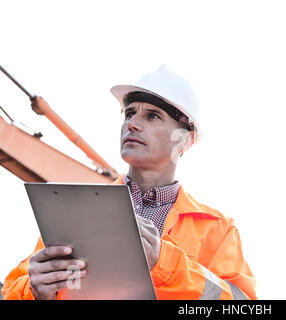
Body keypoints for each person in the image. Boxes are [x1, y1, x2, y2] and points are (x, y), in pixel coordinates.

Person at [1, 65, 256, 300]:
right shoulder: (77, 210)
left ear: (185, 140)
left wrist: (163, 261)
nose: (132, 124)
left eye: (153, 116)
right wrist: (33, 291)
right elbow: (15, 288)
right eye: (129, 113)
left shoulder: (218, 230)